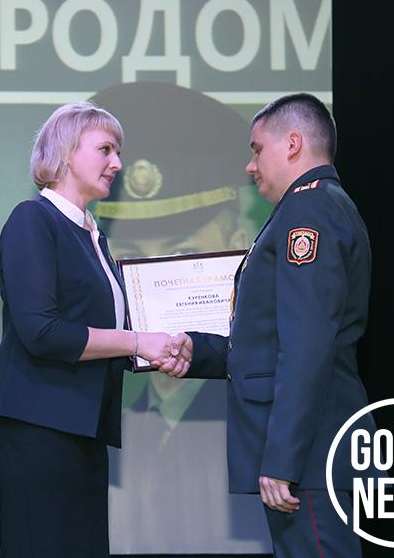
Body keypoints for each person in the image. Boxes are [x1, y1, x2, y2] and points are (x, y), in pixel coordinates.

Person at [161, 93, 378, 556]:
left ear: (293, 144)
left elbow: (307, 346)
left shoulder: (308, 211)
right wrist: (199, 352)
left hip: (310, 454)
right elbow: (278, 338)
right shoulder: (322, 206)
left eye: (257, 149)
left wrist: (283, 459)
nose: (250, 165)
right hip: (316, 448)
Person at [0, 102, 178, 558]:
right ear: (66, 153)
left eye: (118, 151)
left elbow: (113, 327)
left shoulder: (93, 235)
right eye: (106, 149)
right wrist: (138, 342)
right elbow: (41, 331)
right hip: (38, 424)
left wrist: (168, 344)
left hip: (83, 425)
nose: (118, 163)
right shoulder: (33, 219)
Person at [88, 83, 271, 553]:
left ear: (237, 241)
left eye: (182, 252)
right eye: (132, 255)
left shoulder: (257, 403)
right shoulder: (113, 413)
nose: (156, 273)